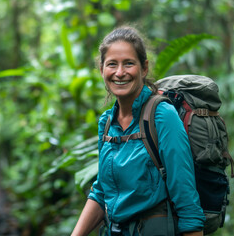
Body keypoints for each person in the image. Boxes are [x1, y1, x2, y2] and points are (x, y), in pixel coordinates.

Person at [71, 26, 205, 236]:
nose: (120, 72)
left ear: (144, 68)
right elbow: (102, 191)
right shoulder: (106, 123)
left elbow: (186, 197)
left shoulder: (161, 115)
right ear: (102, 70)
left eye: (129, 63)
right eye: (112, 64)